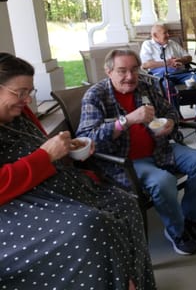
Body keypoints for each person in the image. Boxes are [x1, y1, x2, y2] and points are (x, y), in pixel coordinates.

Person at [0, 52, 155, 289]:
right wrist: (47, 155)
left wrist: (66, 150)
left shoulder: (20, 112)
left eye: (29, 92)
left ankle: (133, 281)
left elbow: (38, 146)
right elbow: (37, 158)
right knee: (91, 224)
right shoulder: (97, 95)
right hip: (19, 204)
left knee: (126, 203)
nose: (27, 100)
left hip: (55, 184)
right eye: (20, 93)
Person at [77, 49, 196, 256]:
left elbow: (170, 112)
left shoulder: (144, 87)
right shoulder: (96, 96)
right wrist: (127, 120)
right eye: (122, 71)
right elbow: (88, 138)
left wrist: (169, 122)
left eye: (134, 69)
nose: (130, 77)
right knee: (163, 181)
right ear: (108, 71)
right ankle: (176, 231)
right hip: (126, 160)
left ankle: (190, 219)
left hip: (160, 148)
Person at [140, 23, 196, 124]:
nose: (168, 35)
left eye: (168, 32)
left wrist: (181, 60)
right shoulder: (147, 45)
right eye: (165, 33)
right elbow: (146, 64)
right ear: (155, 35)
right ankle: (175, 115)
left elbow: (188, 57)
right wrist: (167, 63)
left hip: (180, 73)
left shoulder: (172, 43)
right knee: (167, 85)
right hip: (160, 75)